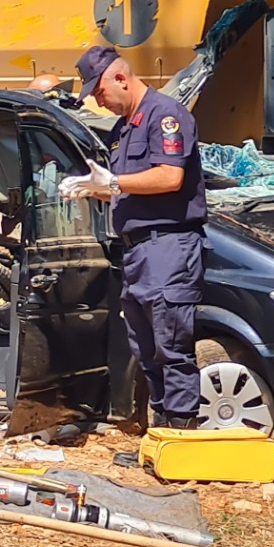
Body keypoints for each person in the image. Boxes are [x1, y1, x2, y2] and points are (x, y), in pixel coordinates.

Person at [64, 46, 207, 429]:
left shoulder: (165, 115)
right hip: (138, 252)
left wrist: (112, 181)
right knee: (145, 348)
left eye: (100, 92)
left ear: (122, 79)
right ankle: (162, 433)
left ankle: (182, 433)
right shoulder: (121, 130)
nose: (99, 101)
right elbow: (127, 188)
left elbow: (169, 176)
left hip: (168, 246)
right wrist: (92, 188)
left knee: (170, 345)